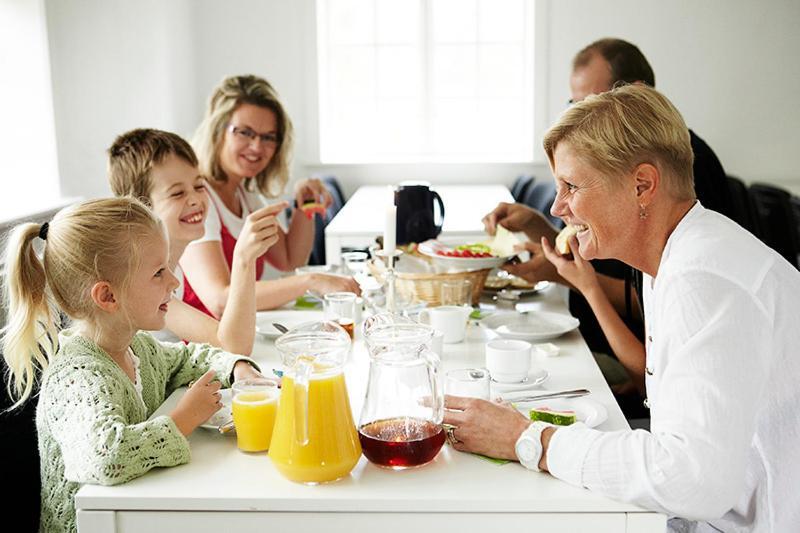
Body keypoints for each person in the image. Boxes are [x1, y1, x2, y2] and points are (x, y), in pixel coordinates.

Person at [445, 85, 800, 532]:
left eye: (571, 186)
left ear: (642, 185)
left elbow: (694, 481)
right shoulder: (677, 257)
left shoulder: (702, 278)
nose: (557, 208)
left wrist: (528, 439)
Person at [484, 38, 732, 399]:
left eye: (593, 104)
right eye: (575, 105)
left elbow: (653, 350)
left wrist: (573, 280)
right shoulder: (654, 239)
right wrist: (541, 228)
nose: (582, 115)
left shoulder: (681, 197)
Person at [1, 197, 265, 533]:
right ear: (108, 297)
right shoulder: (79, 376)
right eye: (158, 272)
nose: (174, 282)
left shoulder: (137, 346)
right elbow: (104, 458)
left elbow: (188, 358)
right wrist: (183, 418)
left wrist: (238, 368)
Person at [182, 74, 359, 317]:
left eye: (268, 137)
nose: (257, 146)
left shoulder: (244, 194)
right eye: (244, 132)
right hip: (198, 346)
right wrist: (311, 281)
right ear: (218, 131)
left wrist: (303, 203)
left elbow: (289, 258)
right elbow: (220, 300)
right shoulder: (198, 198)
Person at [108, 128, 283, 352]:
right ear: (140, 207)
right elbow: (232, 346)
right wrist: (243, 259)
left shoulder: (173, 271)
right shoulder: (140, 279)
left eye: (199, 186)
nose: (196, 199)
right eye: (177, 193)